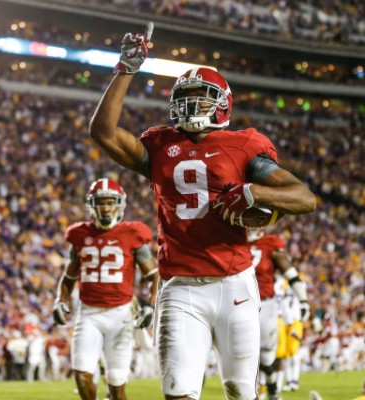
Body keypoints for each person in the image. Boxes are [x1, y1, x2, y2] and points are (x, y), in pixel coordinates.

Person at [88, 23, 316, 400]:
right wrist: (125, 69)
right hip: (179, 285)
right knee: (178, 392)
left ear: (223, 104)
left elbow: (304, 197)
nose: (192, 105)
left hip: (234, 283)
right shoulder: (160, 144)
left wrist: (253, 191)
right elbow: (103, 133)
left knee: (241, 391)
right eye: (185, 97)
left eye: (202, 97)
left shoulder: (244, 145)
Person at [53, 178, 159, 400]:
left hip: (121, 314)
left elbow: (154, 276)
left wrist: (150, 306)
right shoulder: (79, 234)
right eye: (101, 203)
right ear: (91, 205)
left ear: (120, 204)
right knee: (81, 373)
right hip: (88, 313)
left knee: (117, 384)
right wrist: (60, 300)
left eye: (110, 202)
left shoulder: (132, 233)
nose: (106, 208)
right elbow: (68, 278)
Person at [247, 229, 309, 400]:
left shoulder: (270, 242)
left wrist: (303, 300)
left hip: (266, 305)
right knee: (244, 356)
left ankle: (273, 389)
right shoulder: (232, 239)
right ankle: (256, 392)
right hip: (237, 305)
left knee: (266, 358)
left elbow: (288, 270)